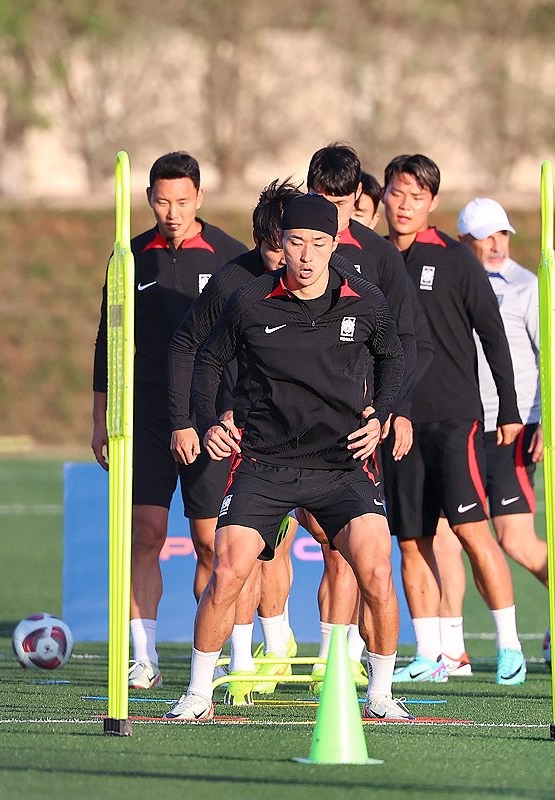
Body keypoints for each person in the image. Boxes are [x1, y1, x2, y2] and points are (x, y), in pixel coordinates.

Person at [164, 194, 412, 721]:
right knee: (228, 571)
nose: (304, 255)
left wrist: (381, 416)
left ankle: (382, 694)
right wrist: (209, 422)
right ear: (281, 243)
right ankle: (197, 694)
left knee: (376, 570)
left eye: (317, 244)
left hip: (342, 465)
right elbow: (208, 358)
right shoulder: (250, 300)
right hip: (263, 464)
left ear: (334, 244)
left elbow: (395, 356)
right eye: (294, 242)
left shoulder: (364, 300)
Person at [429, 197, 555, 679]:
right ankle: (451, 648)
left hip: (512, 429)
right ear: (465, 242)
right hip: (461, 423)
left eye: (503, 235)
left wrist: (549, 423)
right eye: (485, 237)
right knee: (451, 534)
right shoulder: (452, 277)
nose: (496, 245)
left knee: (514, 539)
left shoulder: (526, 286)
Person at [91, 151, 246, 691]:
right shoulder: (129, 259)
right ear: (148, 200)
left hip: (210, 422)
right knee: (146, 535)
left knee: (211, 544)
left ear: (199, 198)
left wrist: (232, 413)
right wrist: (101, 419)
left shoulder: (231, 256)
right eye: (161, 200)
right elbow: (105, 343)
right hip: (146, 419)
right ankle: (144, 656)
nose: (172, 211)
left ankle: (213, 653)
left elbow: (247, 343)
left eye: (182, 201)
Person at [381, 154, 527, 686]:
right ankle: (430, 654)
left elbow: (493, 336)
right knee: (411, 541)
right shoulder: (372, 260)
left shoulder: (456, 260)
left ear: (433, 203)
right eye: (397, 194)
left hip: (454, 419)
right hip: (397, 426)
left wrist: (509, 408)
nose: (404, 206)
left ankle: (509, 646)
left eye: (416, 197)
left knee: (470, 531)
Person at [167, 178, 305, 703]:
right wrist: (193, 421)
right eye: (276, 248)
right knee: (232, 551)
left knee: (324, 547)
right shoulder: (232, 284)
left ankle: (308, 647)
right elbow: (186, 346)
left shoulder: (324, 284)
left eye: (294, 246)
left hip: (303, 438)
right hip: (235, 435)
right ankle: (245, 659)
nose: (286, 260)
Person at [303, 143, 433, 691]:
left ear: (357, 198)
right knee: (255, 548)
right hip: (273, 425)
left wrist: (392, 409)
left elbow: (408, 341)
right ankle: (250, 651)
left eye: (340, 203)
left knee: (343, 549)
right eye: (319, 201)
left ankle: (337, 662)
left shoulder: (377, 257)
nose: (328, 216)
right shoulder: (280, 246)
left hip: (351, 428)